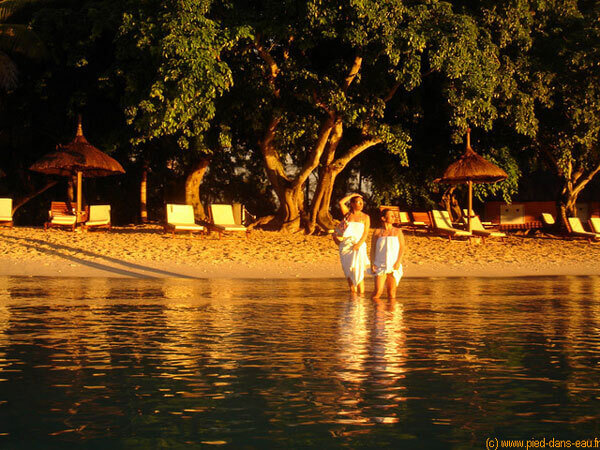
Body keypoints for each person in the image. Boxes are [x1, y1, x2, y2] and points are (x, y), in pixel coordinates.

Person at [333, 193, 371, 294]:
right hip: (346, 245)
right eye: (358, 202)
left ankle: (361, 297)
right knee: (348, 270)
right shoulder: (347, 214)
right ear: (352, 204)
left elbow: (366, 233)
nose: (361, 205)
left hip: (359, 245)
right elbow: (341, 202)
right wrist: (352, 195)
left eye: (362, 203)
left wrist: (359, 244)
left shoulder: (365, 217)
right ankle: (353, 294)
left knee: (358, 270)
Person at [370, 209, 405, 299]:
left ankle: (392, 313)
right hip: (379, 264)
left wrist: (398, 262)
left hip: (393, 264)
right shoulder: (377, 232)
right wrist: (372, 263)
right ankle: (374, 310)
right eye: (391, 215)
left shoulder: (398, 231)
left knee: (391, 293)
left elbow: (402, 247)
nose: (394, 217)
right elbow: (373, 248)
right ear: (383, 218)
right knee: (378, 292)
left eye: (394, 215)